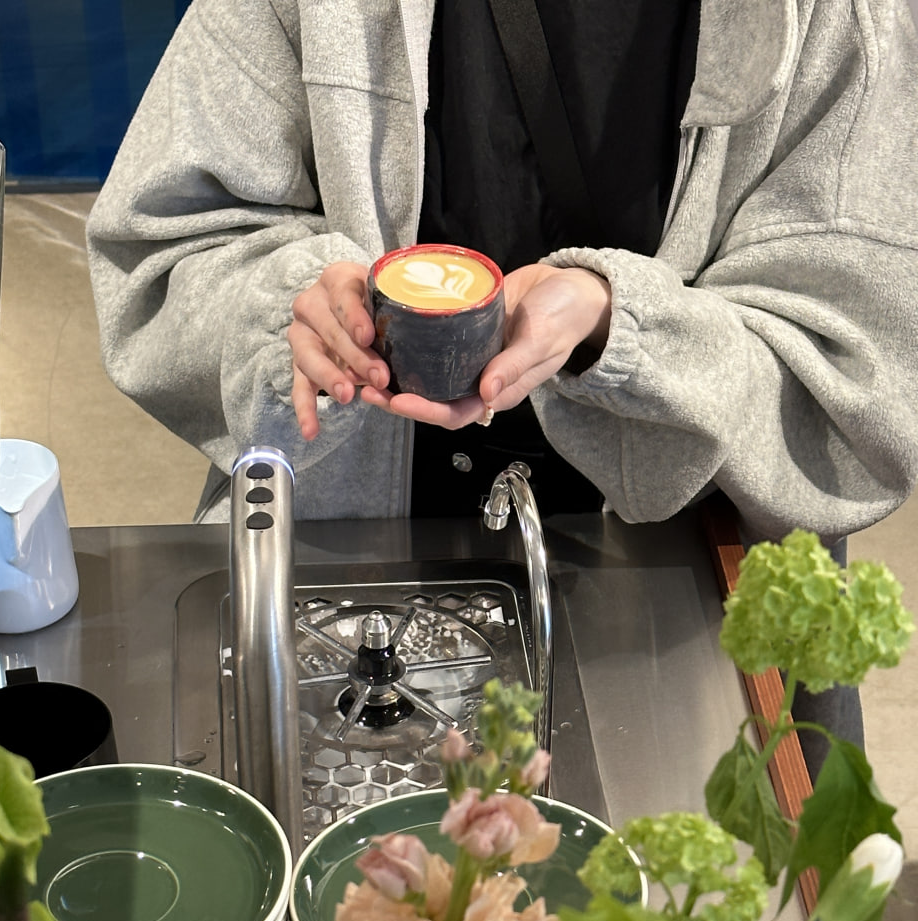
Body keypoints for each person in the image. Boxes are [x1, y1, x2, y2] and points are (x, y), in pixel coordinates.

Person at [86, 0, 918, 543]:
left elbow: (867, 397)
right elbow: (158, 250)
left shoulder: (839, 21)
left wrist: (616, 329)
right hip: (343, 560)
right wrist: (293, 318)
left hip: (686, 591)